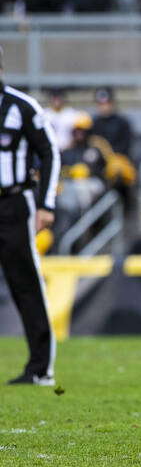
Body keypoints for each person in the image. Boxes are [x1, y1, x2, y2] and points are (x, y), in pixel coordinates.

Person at [0, 47, 60, 386]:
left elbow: (49, 151)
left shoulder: (22, 108)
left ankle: (40, 368)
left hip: (12, 204)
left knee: (25, 283)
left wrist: (45, 203)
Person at [91, 87, 132, 158]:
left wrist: (109, 152)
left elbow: (126, 145)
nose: (104, 107)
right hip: (98, 162)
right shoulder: (93, 123)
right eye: (100, 104)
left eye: (106, 103)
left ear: (112, 103)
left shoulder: (122, 122)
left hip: (118, 160)